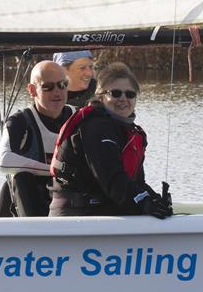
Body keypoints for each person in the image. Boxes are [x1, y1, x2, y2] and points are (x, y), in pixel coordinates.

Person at [49, 62, 172, 219]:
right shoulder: (96, 127)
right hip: (77, 216)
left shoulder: (130, 132)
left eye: (130, 94)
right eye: (115, 93)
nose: (123, 99)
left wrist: (154, 199)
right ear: (101, 96)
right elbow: (111, 178)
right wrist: (143, 202)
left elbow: (136, 182)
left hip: (104, 211)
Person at [0, 61, 74, 217]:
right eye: (48, 87)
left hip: (67, 197)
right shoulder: (20, 121)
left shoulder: (78, 117)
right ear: (32, 90)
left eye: (62, 84)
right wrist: (52, 170)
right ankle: (33, 236)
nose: (57, 92)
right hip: (32, 200)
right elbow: (3, 161)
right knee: (20, 178)